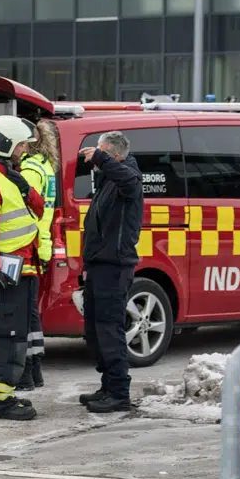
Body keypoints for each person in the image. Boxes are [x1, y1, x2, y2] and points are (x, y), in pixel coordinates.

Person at [0, 116, 44, 421]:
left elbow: (37, 212)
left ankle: (0, 394)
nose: (25, 149)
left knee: (14, 336)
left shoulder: (7, 176)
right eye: (22, 144)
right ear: (6, 144)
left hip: (21, 271)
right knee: (5, 336)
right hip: (5, 275)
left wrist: (26, 189)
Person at [78, 130, 142, 413]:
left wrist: (102, 159)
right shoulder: (106, 183)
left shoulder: (128, 177)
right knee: (95, 329)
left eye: (101, 153)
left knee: (109, 329)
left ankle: (119, 392)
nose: (94, 159)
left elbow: (127, 179)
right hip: (98, 265)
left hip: (115, 266)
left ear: (114, 156)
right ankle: (107, 386)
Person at [15, 119, 60, 392]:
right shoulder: (45, 166)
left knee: (24, 314)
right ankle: (35, 371)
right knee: (31, 313)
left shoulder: (31, 169)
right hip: (40, 243)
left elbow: (26, 209)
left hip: (29, 244)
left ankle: (28, 373)